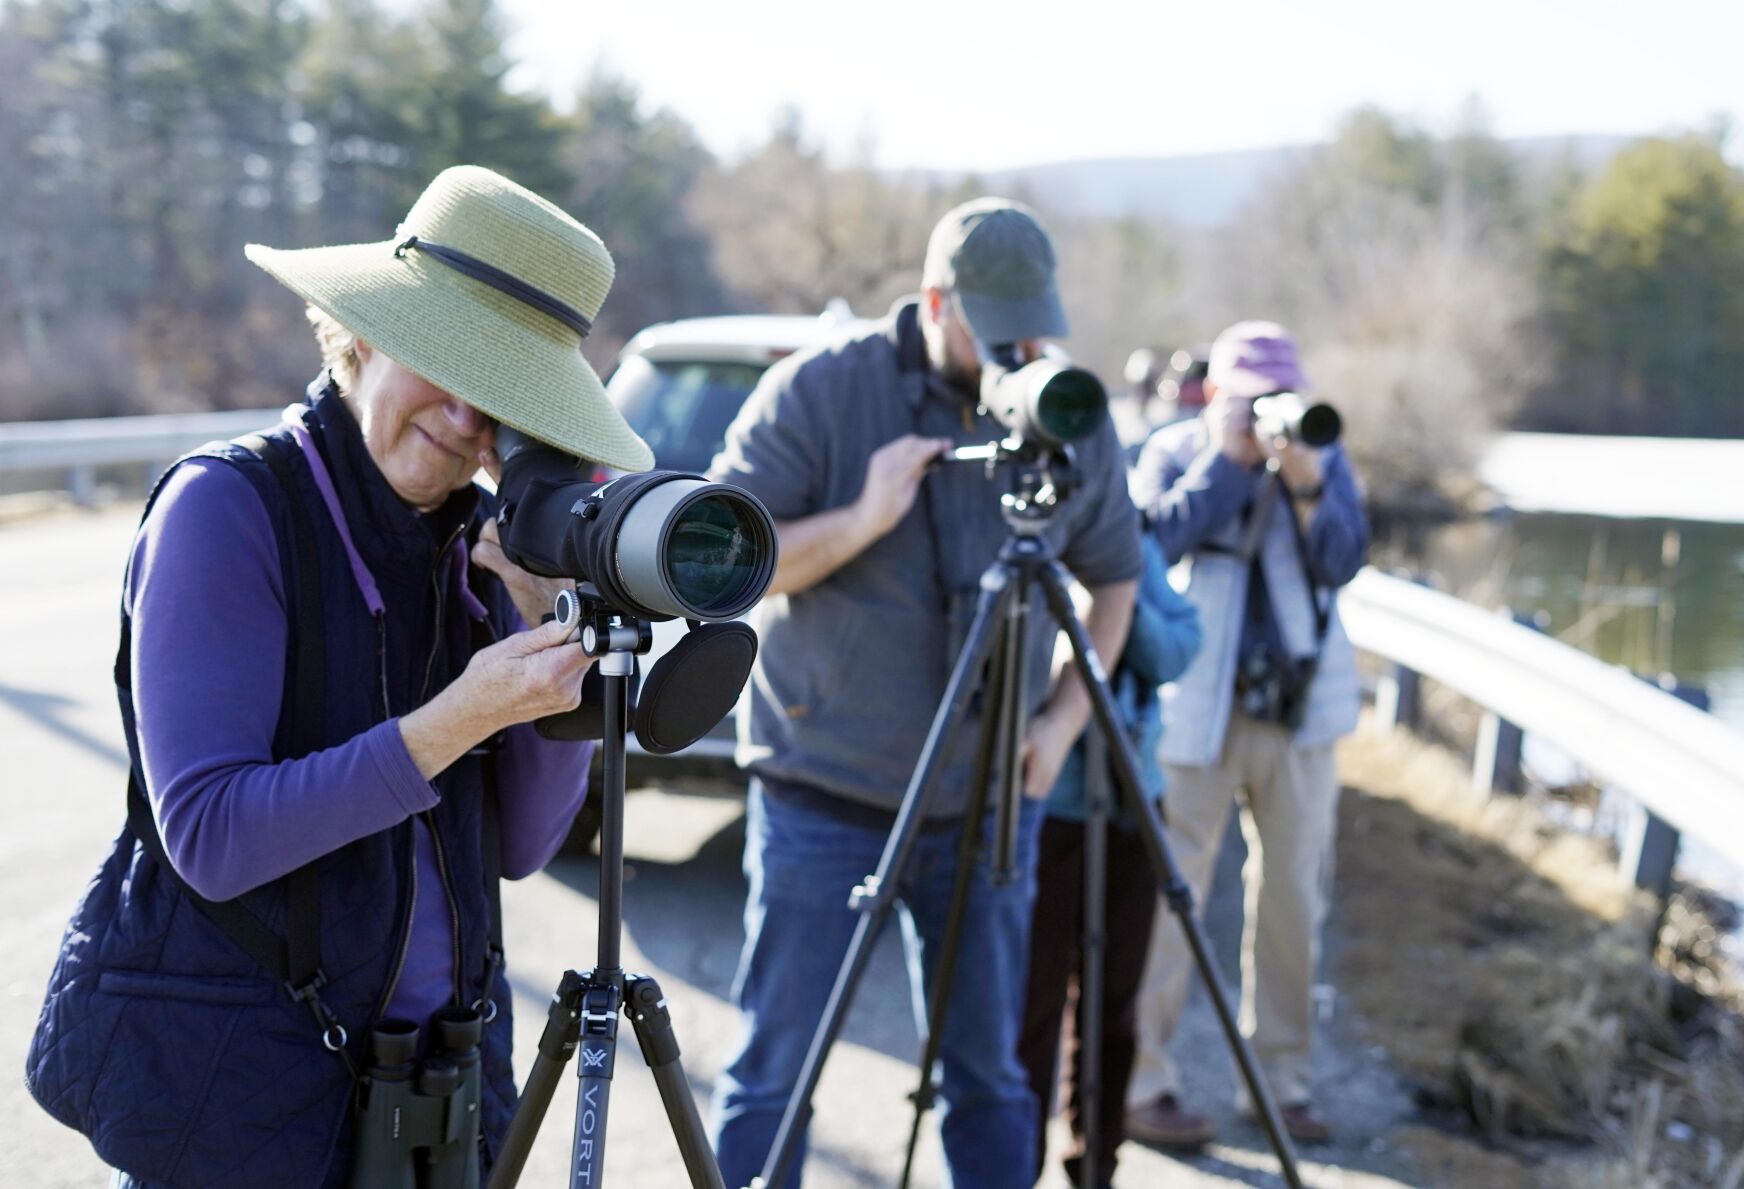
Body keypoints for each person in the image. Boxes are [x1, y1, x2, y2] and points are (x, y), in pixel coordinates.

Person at [25, 166, 652, 1187]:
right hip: (237, 1101)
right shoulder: (228, 511)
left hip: (428, 1094)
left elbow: (527, 844)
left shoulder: (481, 552)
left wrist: (543, 621)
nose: (461, 414)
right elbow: (214, 837)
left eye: (498, 390)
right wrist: (455, 719)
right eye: (440, 361)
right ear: (358, 331)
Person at [705, 198, 1142, 1187]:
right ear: (936, 301)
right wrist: (863, 516)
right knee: (776, 1071)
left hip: (987, 810)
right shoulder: (819, 391)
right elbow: (733, 563)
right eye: (1000, 329)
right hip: (821, 794)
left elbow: (1117, 577)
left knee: (987, 1075)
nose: (1021, 347)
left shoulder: (1065, 410)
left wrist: (1066, 722)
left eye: (1036, 325)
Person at [1124, 321, 1368, 1148]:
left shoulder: (1322, 457)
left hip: (1296, 715)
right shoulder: (1173, 451)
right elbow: (1149, 543)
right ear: (1218, 393)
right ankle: (1141, 1079)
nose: (1266, 413)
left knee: (1295, 896)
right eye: (1250, 396)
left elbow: (1345, 560)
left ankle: (1281, 1082)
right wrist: (1227, 467)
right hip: (1195, 707)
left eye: (1278, 395)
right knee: (1167, 894)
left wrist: (1305, 487)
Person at [1018, 531, 1200, 1188]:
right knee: (1028, 1002)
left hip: (1130, 801)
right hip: (1043, 800)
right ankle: (1014, 1165)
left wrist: (1112, 603)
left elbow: (1180, 649)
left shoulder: (1130, 544)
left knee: (1115, 1000)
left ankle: (1096, 1162)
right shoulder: (1018, 539)